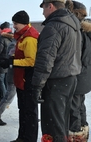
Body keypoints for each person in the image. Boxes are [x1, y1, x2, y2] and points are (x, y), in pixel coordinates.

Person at [0, 10, 39, 142]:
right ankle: (22, 137)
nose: (14, 26)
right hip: (20, 78)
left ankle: (29, 138)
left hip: (28, 79)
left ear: (23, 23)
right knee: (23, 110)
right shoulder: (22, 35)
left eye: (16, 23)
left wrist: (12, 62)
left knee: (29, 112)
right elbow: (20, 54)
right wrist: (10, 59)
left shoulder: (30, 37)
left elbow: (31, 61)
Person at [31, 0, 82, 141]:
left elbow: (45, 59)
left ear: (50, 6)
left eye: (43, 8)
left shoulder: (54, 26)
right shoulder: (73, 23)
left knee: (52, 127)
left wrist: (36, 85)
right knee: (62, 123)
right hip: (70, 78)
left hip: (56, 81)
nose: (42, 12)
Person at [65, 1, 90, 141]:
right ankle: (82, 133)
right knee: (80, 106)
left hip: (78, 75)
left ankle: (75, 135)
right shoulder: (86, 32)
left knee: (74, 108)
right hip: (85, 76)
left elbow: (76, 56)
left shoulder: (79, 33)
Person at [0, 40, 16, 126]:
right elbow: (8, 57)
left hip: (18, 74)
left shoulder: (14, 41)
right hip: (14, 74)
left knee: (9, 96)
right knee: (8, 97)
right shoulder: (15, 43)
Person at [0, 22, 13, 108]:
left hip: (2, 63)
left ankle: (3, 101)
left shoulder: (2, 38)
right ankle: (3, 97)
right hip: (9, 62)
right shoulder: (12, 37)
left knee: (1, 82)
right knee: (5, 81)